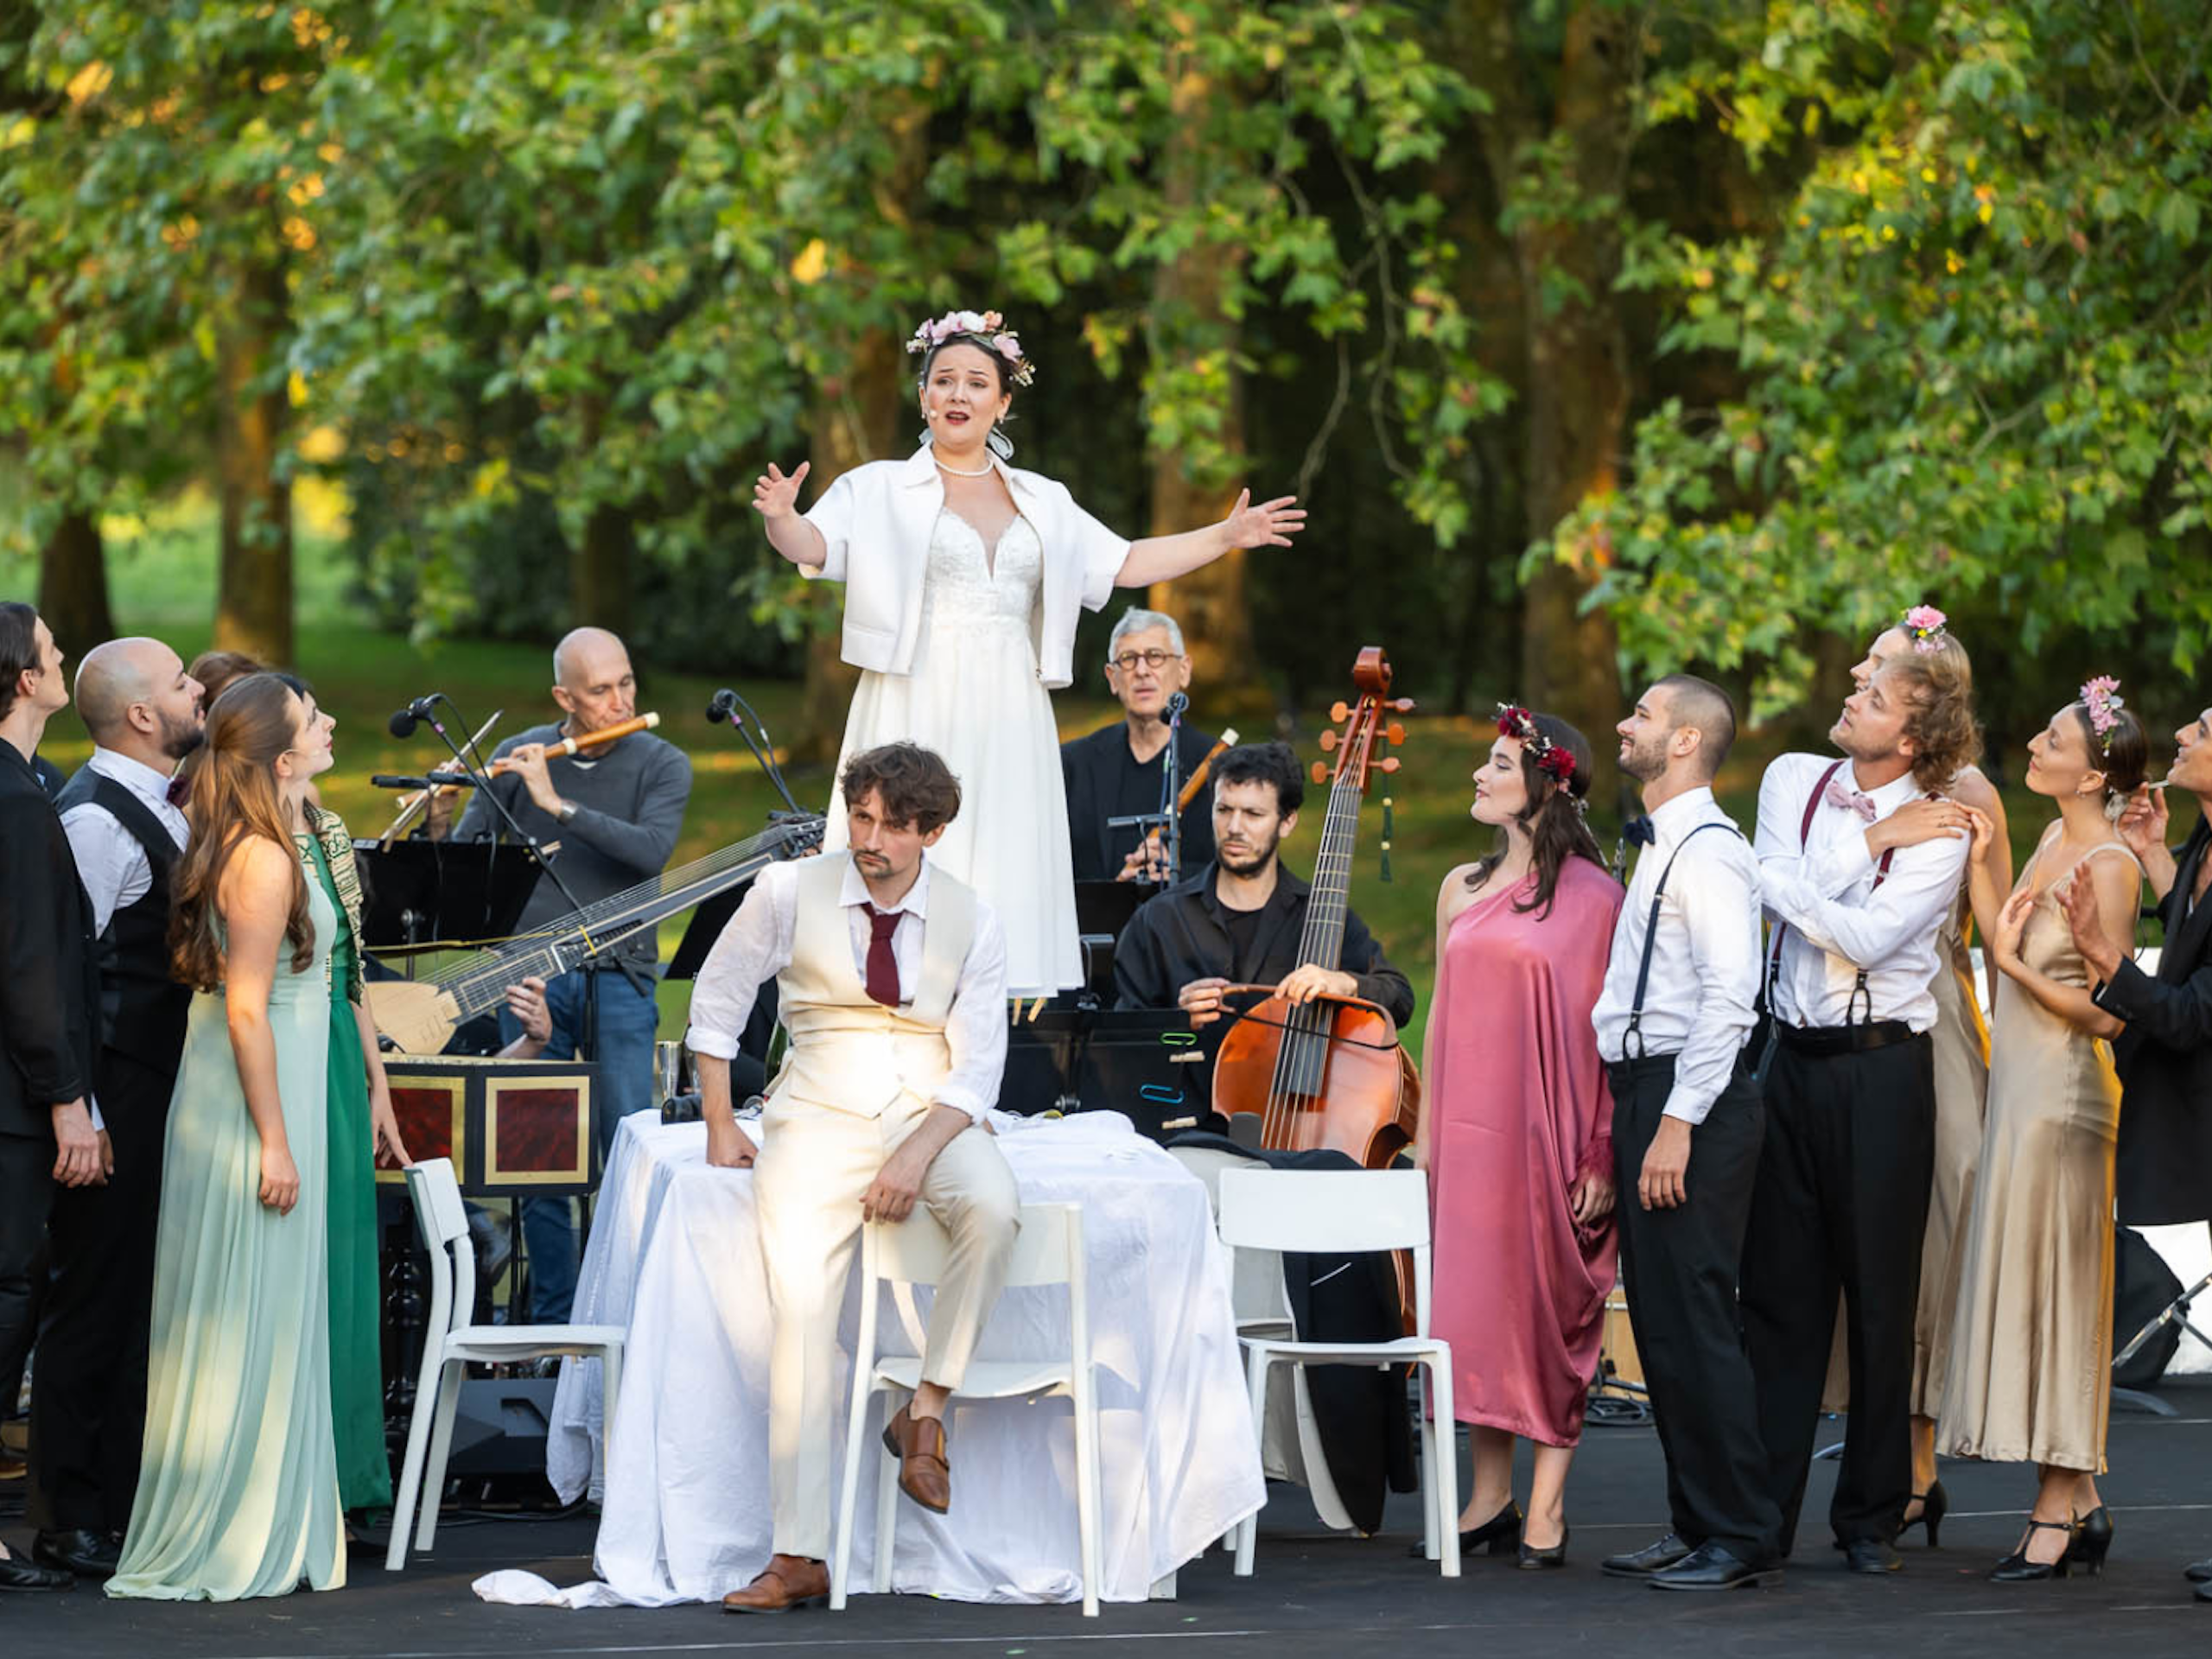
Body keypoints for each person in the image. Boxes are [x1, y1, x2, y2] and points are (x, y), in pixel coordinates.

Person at [752, 307, 1303, 995]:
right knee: (901, 834)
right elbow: (815, 547)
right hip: (914, 690)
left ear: (1003, 401)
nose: (958, 394)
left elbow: (1125, 561)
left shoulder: (1043, 500)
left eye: (976, 382)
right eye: (943, 380)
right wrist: (782, 518)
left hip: (1011, 702)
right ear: (923, 396)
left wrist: (1223, 536)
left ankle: (994, 1035)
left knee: (1003, 859)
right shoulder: (878, 487)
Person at [684, 743, 1016, 1615]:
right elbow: (716, 1005)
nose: (870, 838)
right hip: (816, 1109)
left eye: (893, 825)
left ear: (932, 832)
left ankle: (926, 1407)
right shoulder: (786, 891)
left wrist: (914, 1154)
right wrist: (722, 1123)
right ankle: (797, 1556)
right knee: (798, 1313)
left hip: (931, 1110)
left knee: (993, 1208)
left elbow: (978, 1069)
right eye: (859, 817)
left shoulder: (974, 918)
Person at [1741, 650, 1981, 1574]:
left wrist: (1799, 885)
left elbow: (1872, 938)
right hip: (1787, 1063)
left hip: (1881, 1074)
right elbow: (1763, 880)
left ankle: (1871, 1517)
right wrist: (1870, 845)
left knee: (1880, 1298)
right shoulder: (1792, 776)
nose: (1850, 695)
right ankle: (1759, 1515)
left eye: (1872, 697)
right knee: (1777, 1297)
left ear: (1911, 736)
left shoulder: (1946, 826)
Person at [108, 673, 345, 1600]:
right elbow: (246, 1011)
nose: (330, 725)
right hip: (254, 1097)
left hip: (257, 1084)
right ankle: (233, 1527)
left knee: (270, 1310)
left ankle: (268, 1517)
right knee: (247, 1308)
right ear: (283, 758)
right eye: (314, 720)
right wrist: (276, 1142)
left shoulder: (269, 838)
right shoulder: (263, 859)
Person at [1939, 682, 2146, 1580]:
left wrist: (2016, 966)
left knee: (2059, 1295)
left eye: (2052, 738)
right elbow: (2005, 942)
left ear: (2093, 771)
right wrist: (1986, 862)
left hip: (2065, 1097)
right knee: (2028, 1288)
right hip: (2020, 1086)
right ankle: (2083, 1500)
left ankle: (2056, 1506)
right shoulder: (2054, 836)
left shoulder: (2105, 860)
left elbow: (2107, 1014)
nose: (2032, 742)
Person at [434, 626, 691, 1322]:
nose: (619, 700)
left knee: (628, 1146)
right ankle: (552, 1320)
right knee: (537, 1154)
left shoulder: (662, 763)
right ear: (564, 697)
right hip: (528, 979)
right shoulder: (524, 753)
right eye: (601, 690)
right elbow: (467, 867)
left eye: (626, 683)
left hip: (621, 975)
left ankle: (633, 1313)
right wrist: (441, 818)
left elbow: (649, 852)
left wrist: (558, 804)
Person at [1822, 610, 2012, 1542]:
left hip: (1926, 1009)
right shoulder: (1840, 777)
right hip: (1835, 1002)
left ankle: (1917, 1453)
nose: (1860, 674)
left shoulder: (1968, 788)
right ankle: (1883, 1445)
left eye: (1880, 668)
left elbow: (1995, 922)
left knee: (1936, 1226)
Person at [1592, 676, 1786, 1592]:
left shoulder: (1707, 851)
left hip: (1689, 1099)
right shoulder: (1662, 843)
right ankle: (1693, 1519)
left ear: (1681, 742)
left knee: (1699, 1321)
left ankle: (1740, 1534)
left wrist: (1675, 1121)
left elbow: (1729, 996)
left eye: (1641, 714)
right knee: (1663, 1328)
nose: (1624, 725)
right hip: (1649, 1091)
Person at [1420, 705, 1620, 1567]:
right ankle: (1489, 1495)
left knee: (1547, 1315)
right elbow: (1436, 1021)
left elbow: (1616, 1036)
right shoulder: (1457, 889)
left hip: (1554, 1133)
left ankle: (1547, 1508)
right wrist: (1426, 1137)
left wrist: (1604, 1151)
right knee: (1474, 1318)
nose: (1479, 774)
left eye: (1498, 764)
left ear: (1545, 782)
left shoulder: (1597, 899)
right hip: (1468, 1138)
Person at [30, 639, 205, 1580]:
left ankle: (130, 1491)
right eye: (182, 683)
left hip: (165, 1088)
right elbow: (66, 973)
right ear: (142, 715)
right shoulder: (96, 821)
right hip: (117, 1094)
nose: (198, 691)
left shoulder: (166, 806)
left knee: (144, 1298)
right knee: (93, 1299)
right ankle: (70, 1511)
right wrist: (81, 1110)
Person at [2059, 698, 2212, 1604]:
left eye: (2200, 729)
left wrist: (2106, 965)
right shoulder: (2196, 847)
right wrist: (2162, 863)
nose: (2182, 740)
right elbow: (2195, 949)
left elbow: (2194, 1011)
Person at [276, 676, 414, 1522]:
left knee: (347, 1265)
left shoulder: (327, 831)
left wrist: (380, 1088)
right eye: (315, 714)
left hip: (335, 1052)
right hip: (282, 1050)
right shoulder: (247, 836)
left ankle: (350, 1478)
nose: (334, 720)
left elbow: (354, 971)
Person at [1111, 741, 1414, 1111]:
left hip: (1303, 1126)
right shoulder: (1160, 920)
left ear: (1287, 822)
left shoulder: (1321, 916)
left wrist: (1344, 982)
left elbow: (1399, 998)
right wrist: (1176, 1023)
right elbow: (1116, 1046)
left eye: (1253, 814)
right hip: (1188, 1133)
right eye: (1224, 810)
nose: (1234, 828)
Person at [0, 602, 98, 1595]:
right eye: (50, 653)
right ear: (23, 679)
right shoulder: (20, 801)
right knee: (7, 1295)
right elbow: (31, 969)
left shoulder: (24, 786)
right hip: (16, 1102)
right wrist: (68, 1097)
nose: (61, 659)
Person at [1059, 607, 1220, 883]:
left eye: (1155, 657)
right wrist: (1115, 893)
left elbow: (1240, 871)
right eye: (1129, 659)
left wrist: (1178, 874)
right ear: (1112, 678)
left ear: (1184, 670)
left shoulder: (1221, 766)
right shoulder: (1072, 764)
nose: (1142, 671)